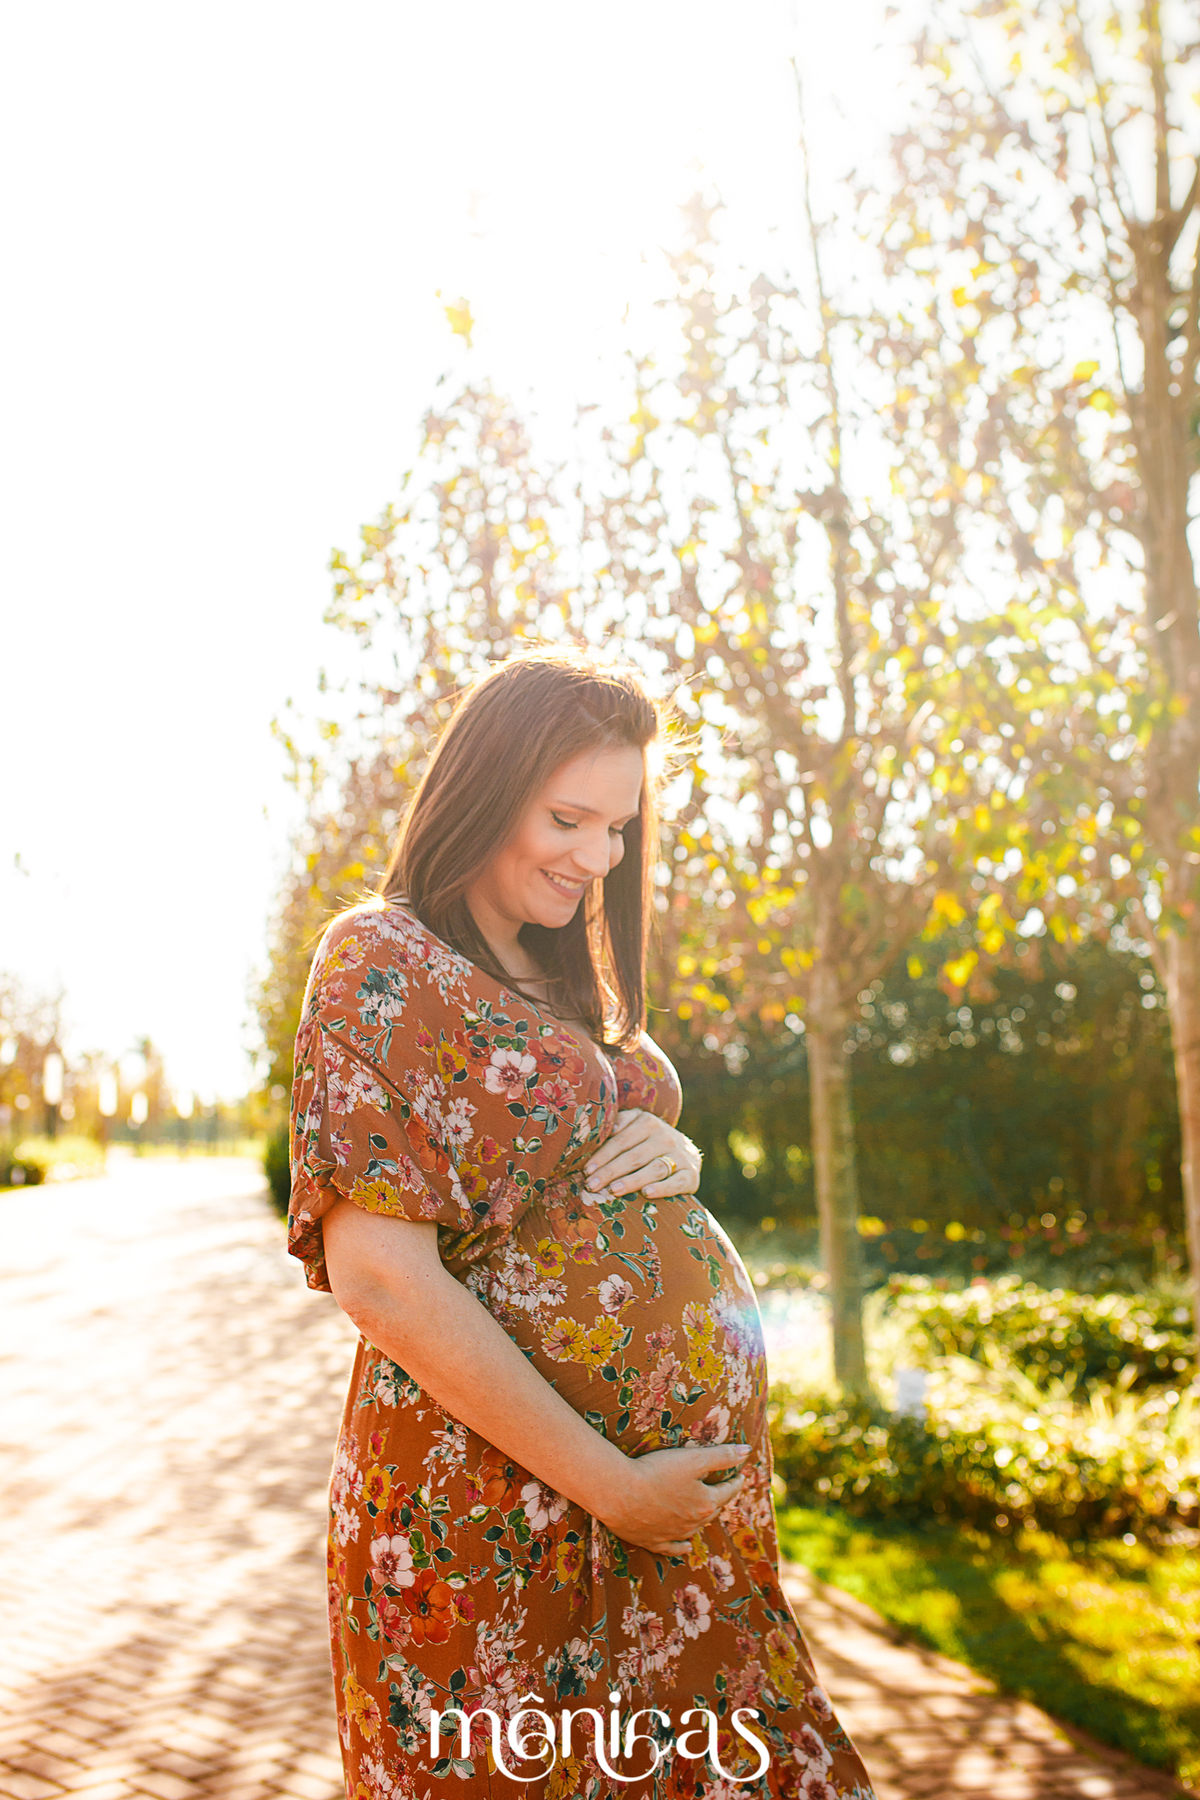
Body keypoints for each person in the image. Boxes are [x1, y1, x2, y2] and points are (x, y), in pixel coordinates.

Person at [288, 648, 877, 1799]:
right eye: (569, 818)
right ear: (487, 785)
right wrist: (616, 1484)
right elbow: (383, 1282)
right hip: (497, 1531)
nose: (599, 856)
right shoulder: (380, 962)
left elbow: (586, 1140)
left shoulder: (566, 976)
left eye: (618, 828)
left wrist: (680, 1152)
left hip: (661, 1539)